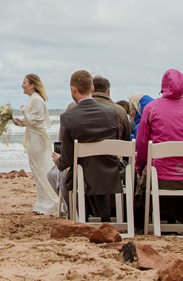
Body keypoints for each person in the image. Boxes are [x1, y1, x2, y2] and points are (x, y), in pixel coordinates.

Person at [134, 69, 183, 225]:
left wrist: (139, 169)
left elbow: (142, 145)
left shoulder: (151, 108)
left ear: (163, 86)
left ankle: (149, 223)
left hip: (159, 177)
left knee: (142, 186)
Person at [56, 70, 131, 221]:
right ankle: (104, 218)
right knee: (96, 168)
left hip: (82, 176)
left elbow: (68, 159)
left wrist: (58, 160)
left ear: (73, 90)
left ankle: (78, 217)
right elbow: (118, 144)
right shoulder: (112, 112)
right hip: (110, 172)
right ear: (92, 88)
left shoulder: (67, 117)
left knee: (64, 175)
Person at [11, 73, 59, 215]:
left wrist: (24, 111)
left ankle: (50, 202)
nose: (22, 86)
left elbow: (36, 121)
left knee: (39, 169)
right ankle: (42, 201)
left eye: (24, 83)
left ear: (32, 85)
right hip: (34, 137)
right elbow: (32, 122)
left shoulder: (37, 99)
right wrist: (21, 122)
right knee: (36, 169)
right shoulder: (33, 99)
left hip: (37, 140)